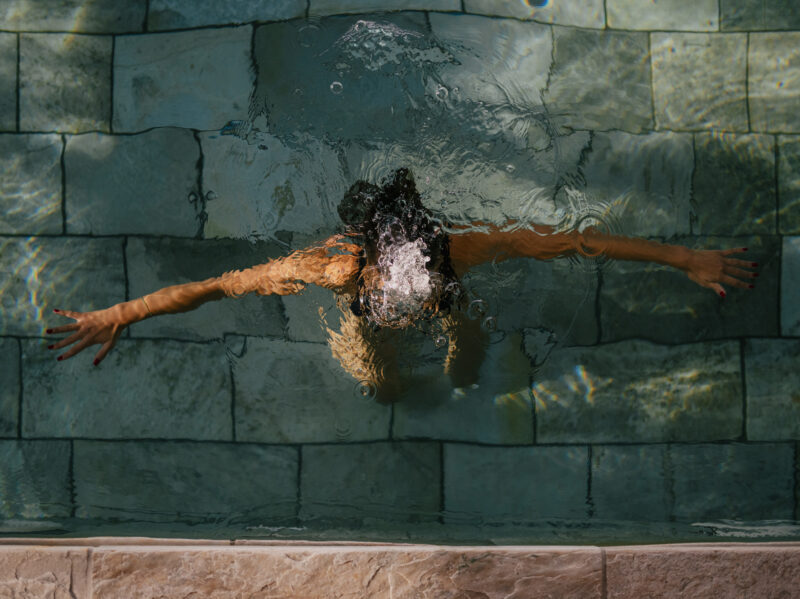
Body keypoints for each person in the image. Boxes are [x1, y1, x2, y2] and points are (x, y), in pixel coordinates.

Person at [47, 169, 757, 400]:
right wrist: (124, 310)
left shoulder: (459, 250)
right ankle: (395, 378)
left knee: (467, 358)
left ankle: (463, 373)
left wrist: (681, 258)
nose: (405, 265)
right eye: (395, 257)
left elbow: (576, 240)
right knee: (379, 380)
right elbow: (220, 284)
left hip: (450, 301)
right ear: (365, 250)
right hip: (369, 323)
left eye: (415, 251)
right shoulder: (331, 268)